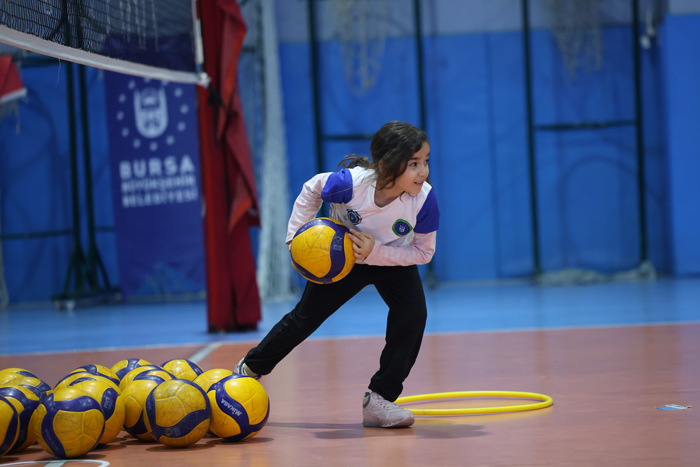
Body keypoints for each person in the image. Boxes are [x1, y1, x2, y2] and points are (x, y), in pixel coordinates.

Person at [234, 120, 440, 428]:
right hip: (342, 256)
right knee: (303, 320)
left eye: (425, 161)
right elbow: (311, 189)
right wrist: (295, 241)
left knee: (413, 316)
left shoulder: (424, 200)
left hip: (392, 257)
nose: (423, 171)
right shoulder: (351, 185)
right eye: (413, 164)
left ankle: (379, 399)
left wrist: (375, 253)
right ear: (386, 165)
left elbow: (423, 253)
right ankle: (247, 370)